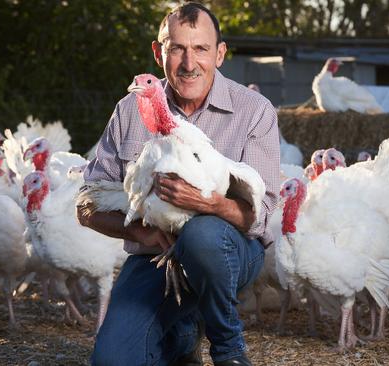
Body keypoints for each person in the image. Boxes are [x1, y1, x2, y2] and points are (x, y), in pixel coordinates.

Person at [78, 3, 280, 365]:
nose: (189, 63)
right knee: (112, 360)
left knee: (202, 236)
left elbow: (261, 219)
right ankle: (182, 335)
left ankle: (227, 348)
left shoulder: (254, 111)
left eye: (201, 48)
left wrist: (210, 204)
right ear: (159, 53)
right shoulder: (130, 110)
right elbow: (87, 203)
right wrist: (143, 234)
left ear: (220, 54)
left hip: (229, 252)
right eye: (177, 48)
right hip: (156, 256)